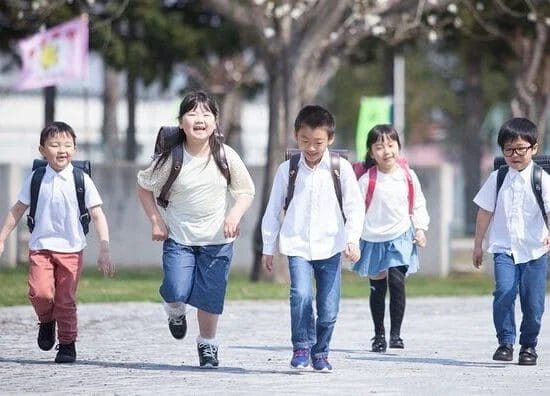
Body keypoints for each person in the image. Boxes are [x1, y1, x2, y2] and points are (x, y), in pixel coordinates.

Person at [136, 90, 255, 369]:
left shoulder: (225, 155)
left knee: (210, 297)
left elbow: (246, 191)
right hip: (179, 239)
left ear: (215, 122)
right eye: (192, 113)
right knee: (176, 288)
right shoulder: (171, 157)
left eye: (206, 113)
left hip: (218, 241)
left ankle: (207, 346)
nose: (199, 119)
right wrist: (156, 220)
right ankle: (175, 310)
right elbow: (143, 188)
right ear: (180, 122)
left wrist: (234, 216)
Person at [261, 105, 365, 372]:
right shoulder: (288, 169)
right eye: (304, 141)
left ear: (329, 139)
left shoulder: (340, 168)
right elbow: (273, 210)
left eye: (318, 142)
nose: (311, 147)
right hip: (297, 245)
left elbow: (355, 208)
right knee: (301, 296)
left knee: (329, 309)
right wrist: (268, 247)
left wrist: (352, 239)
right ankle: (302, 346)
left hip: (331, 246)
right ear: (296, 136)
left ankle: (321, 352)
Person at [0, 121, 114, 364]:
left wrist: (104, 246)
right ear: (42, 150)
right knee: (39, 293)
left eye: (67, 145)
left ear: (75, 148)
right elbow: (18, 209)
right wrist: (2, 238)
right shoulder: (36, 178)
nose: (62, 150)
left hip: (72, 250)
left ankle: (67, 344)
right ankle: (46, 320)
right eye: (54, 145)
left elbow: (97, 215)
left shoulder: (81, 179)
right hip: (41, 247)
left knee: (65, 299)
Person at [473, 117, 550, 366]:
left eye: (520, 149)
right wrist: (478, 244)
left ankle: (528, 346)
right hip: (504, 249)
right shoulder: (498, 178)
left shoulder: (542, 179)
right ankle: (505, 342)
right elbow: (484, 211)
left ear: (534, 148)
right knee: (504, 292)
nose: (515, 154)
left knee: (533, 302)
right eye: (508, 149)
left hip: (535, 250)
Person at [351, 124, 429, 353]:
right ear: (371, 152)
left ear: (398, 147)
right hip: (373, 238)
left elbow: (418, 203)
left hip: (401, 235)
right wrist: (352, 239)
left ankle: (396, 334)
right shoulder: (367, 180)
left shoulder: (408, 175)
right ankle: (379, 334)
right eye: (379, 146)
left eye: (391, 145)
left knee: (397, 281)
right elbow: (355, 212)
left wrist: (421, 229)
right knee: (377, 288)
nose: (386, 151)